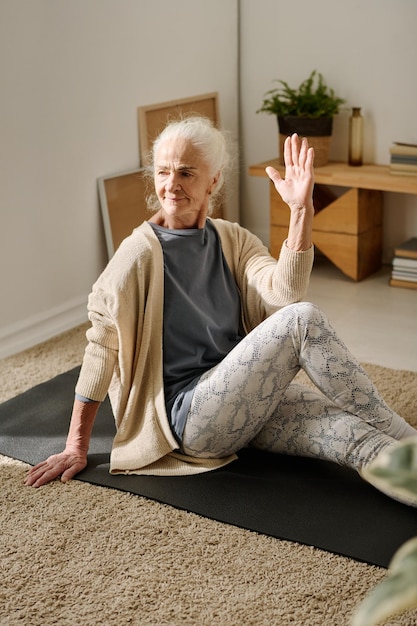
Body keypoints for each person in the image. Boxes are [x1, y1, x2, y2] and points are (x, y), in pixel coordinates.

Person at [25, 116, 417, 506]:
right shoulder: (138, 254)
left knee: (353, 437)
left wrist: (301, 212)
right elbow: (101, 348)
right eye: (162, 172)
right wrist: (76, 445)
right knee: (303, 320)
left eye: (186, 172)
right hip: (193, 419)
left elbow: (284, 293)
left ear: (213, 180)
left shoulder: (232, 239)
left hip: (245, 400)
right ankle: (406, 435)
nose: (171, 184)